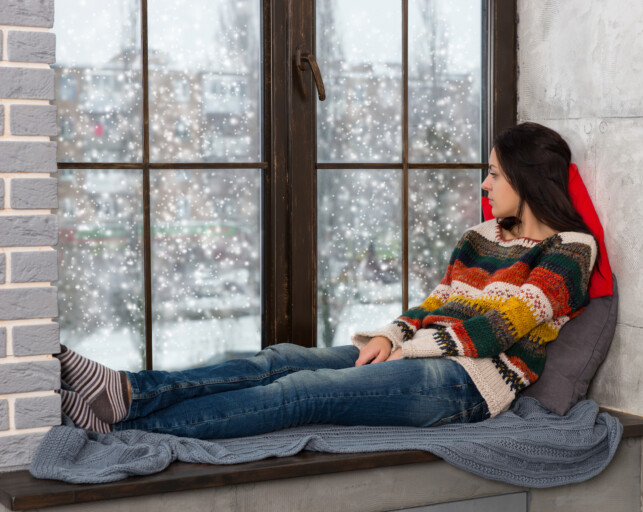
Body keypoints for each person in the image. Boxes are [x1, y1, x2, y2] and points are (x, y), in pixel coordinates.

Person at [57, 122, 598, 439]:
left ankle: (126, 428)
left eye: (496, 174)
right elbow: (438, 302)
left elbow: (501, 328)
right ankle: (127, 392)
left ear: (527, 179)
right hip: (424, 354)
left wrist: (408, 348)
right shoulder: (481, 235)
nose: (486, 183)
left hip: (470, 385)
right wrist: (390, 334)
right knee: (278, 359)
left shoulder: (572, 249)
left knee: (301, 392)